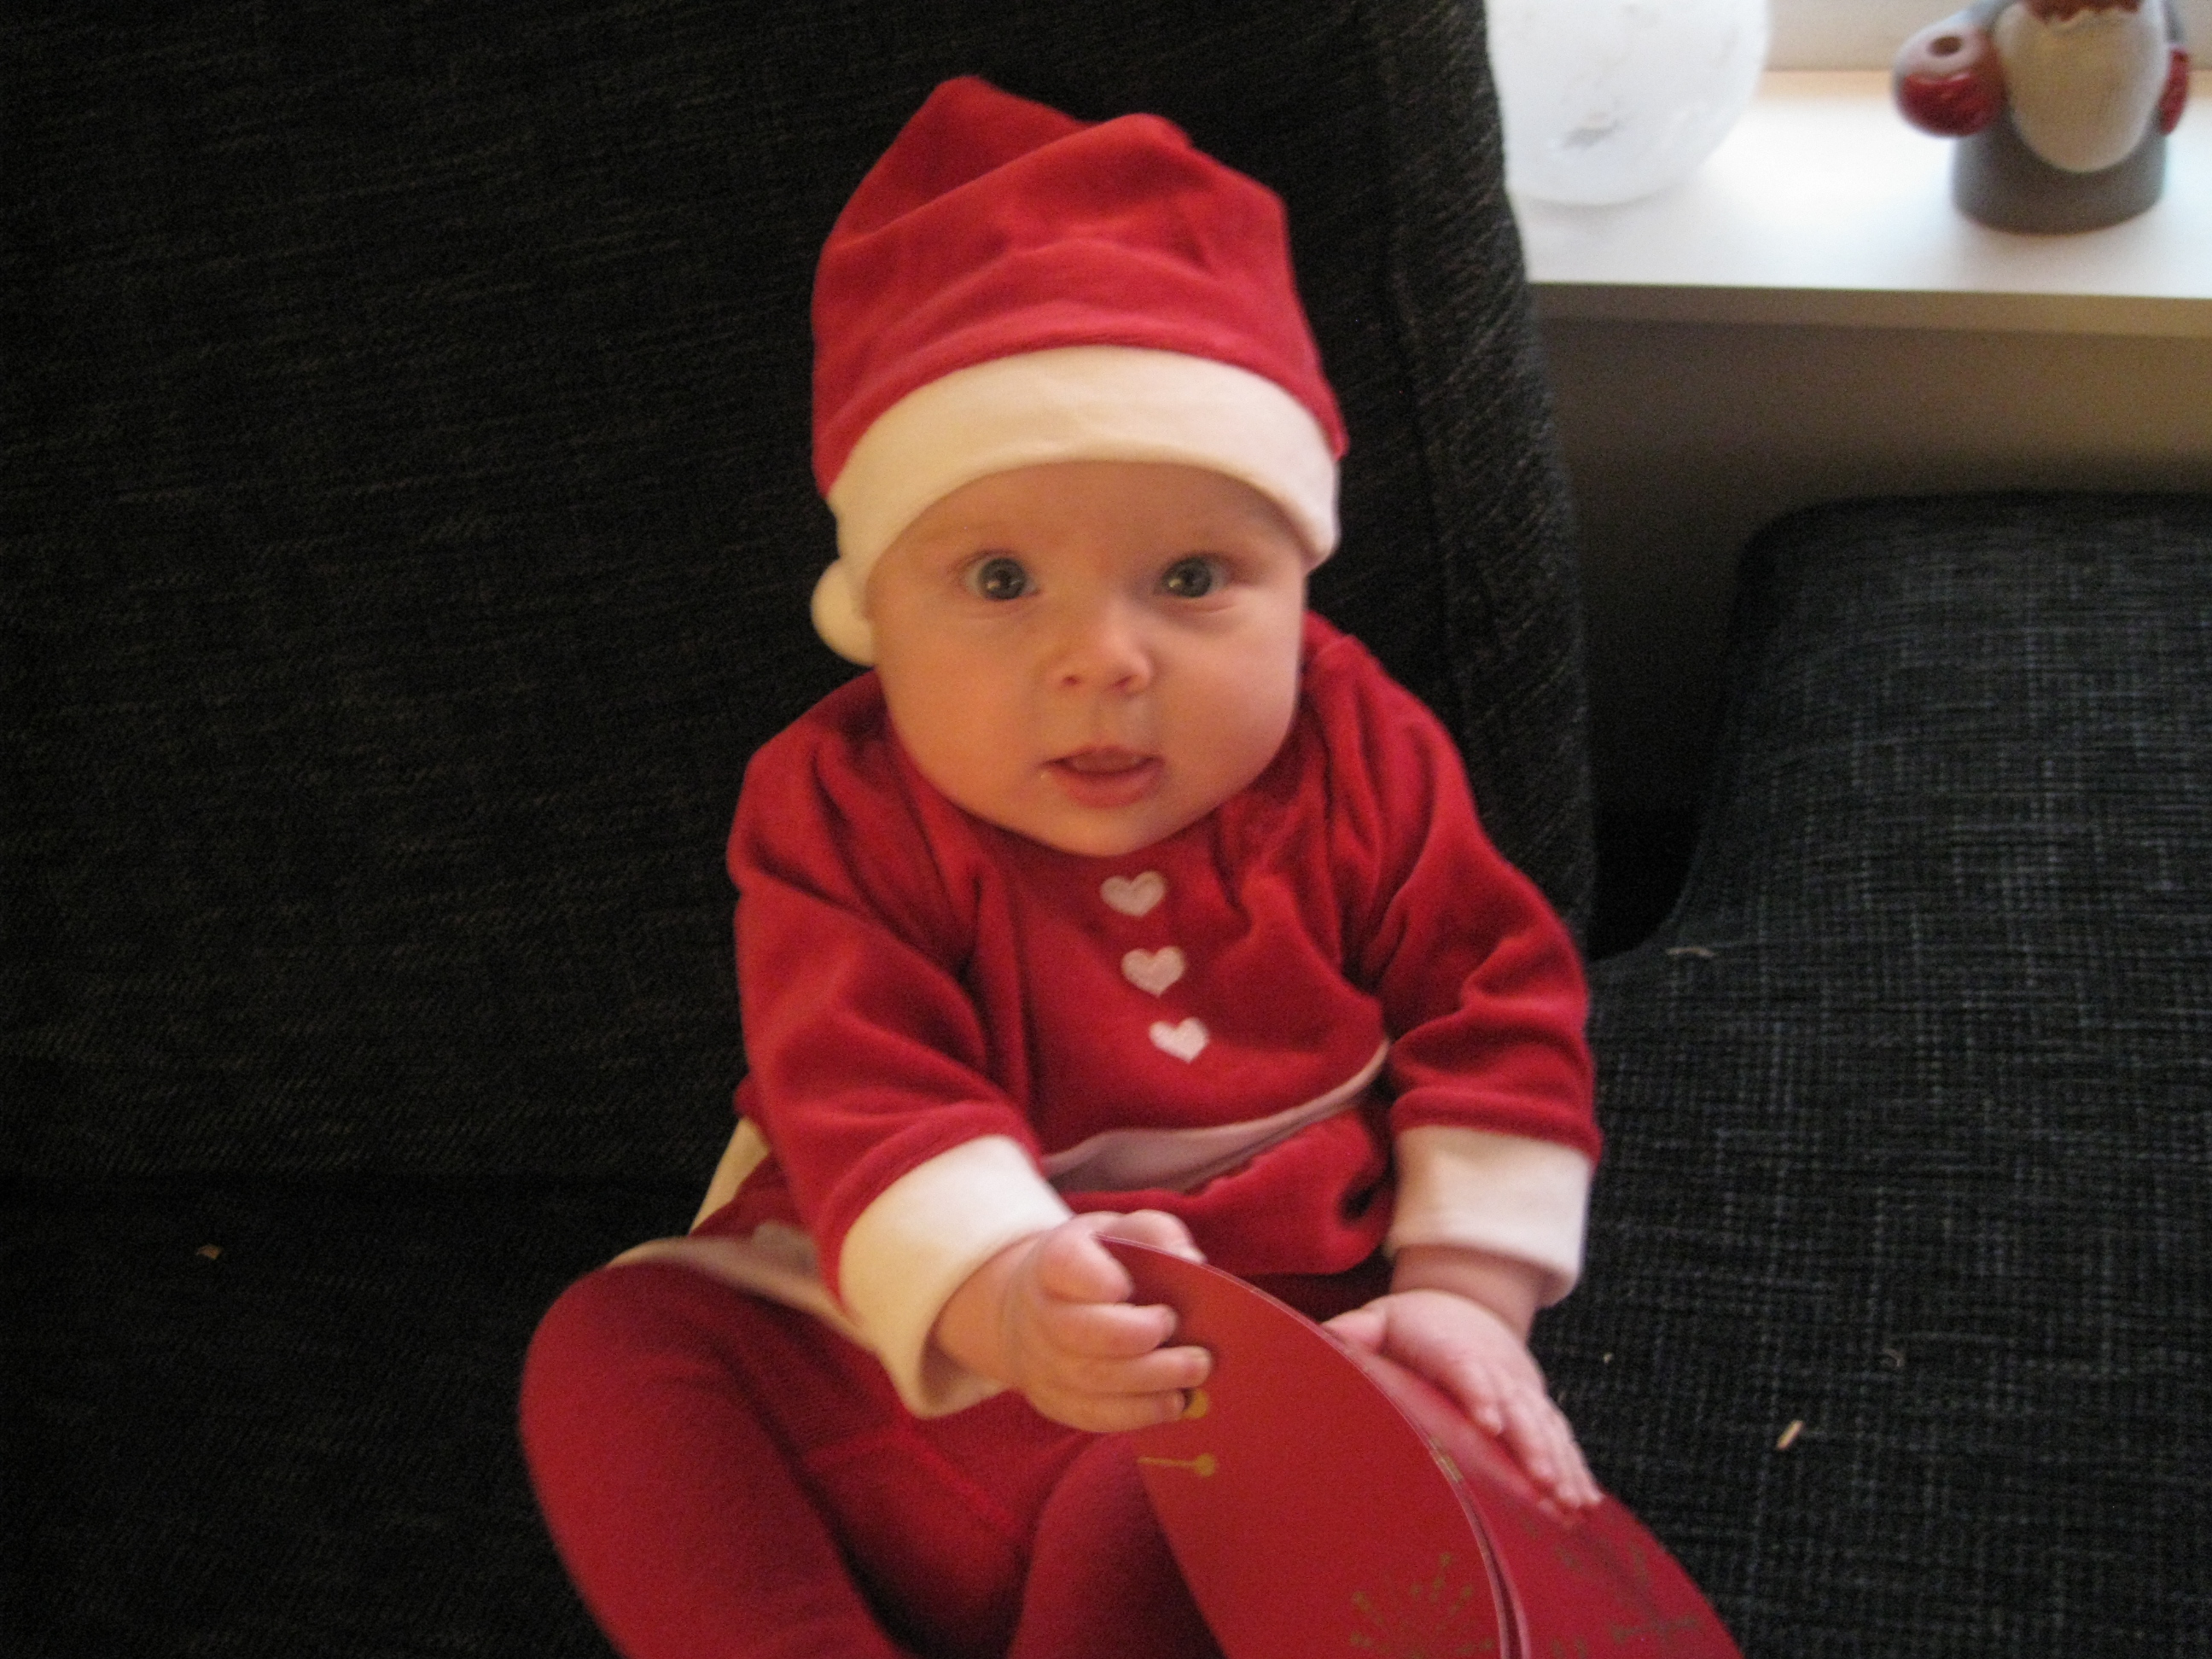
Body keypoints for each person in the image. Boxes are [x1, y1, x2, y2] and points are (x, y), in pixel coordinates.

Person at [521, 74, 1603, 1659]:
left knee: (1212, 1498)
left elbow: (1500, 1007)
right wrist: (1005, 1287)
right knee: (611, 1346)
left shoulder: (1361, 752)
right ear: (874, 614)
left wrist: (1462, 1297)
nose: (1104, 660)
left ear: (1299, 586)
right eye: (1000, 580)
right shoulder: (838, 802)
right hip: (893, 1319)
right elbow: (858, 1081)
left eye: (1193, 576)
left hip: (1215, 1362)